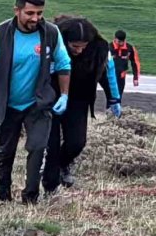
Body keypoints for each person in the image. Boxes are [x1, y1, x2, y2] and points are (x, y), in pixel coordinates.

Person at [0, 0, 72, 204]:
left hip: (38, 103)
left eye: (40, 13)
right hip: (7, 103)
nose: (35, 18)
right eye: (30, 13)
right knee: (5, 151)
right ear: (17, 10)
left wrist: (64, 94)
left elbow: (64, 64)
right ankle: (2, 195)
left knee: (37, 148)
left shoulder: (51, 33)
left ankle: (30, 198)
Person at [42, 16, 122, 193]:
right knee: (52, 145)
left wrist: (113, 98)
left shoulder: (98, 49)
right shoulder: (51, 42)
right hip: (51, 99)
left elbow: (106, 74)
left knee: (77, 142)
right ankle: (50, 184)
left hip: (78, 99)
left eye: (83, 46)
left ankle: (63, 165)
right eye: (74, 46)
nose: (79, 50)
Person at [99, 29, 141, 108]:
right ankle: (109, 113)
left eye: (122, 42)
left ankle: (116, 115)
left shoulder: (130, 48)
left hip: (121, 77)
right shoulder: (108, 48)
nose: (120, 43)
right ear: (114, 38)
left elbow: (135, 63)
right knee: (110, 97)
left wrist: (136, 78)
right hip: (109, 77)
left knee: (118, 97)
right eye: (118, 41)